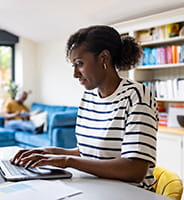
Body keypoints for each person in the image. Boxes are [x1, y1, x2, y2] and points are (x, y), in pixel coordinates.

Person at [11, 25, 158, 190]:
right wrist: (47, 152)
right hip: (96, 187)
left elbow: (135, 170)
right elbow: (88, 153)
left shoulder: (136, 95)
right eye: (73, 65)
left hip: (131, 193)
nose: (75, 74)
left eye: (79, 63)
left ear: (104, 58)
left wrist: (67, 161)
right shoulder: (89, 98)